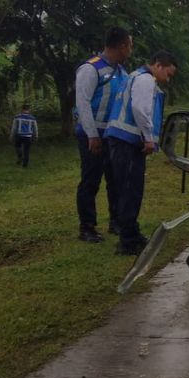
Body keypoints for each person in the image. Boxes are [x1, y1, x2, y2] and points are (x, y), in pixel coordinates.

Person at [103, 50, 178, 255]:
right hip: (128, 141)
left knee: (130, 190)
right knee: (130, 191)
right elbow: (139, 109)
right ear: (159, 65)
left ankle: (131, 233)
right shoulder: (146, 80)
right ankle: (127, 241)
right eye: (168, 74)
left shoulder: (134, 76)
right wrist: (148, 137)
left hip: (122, 141)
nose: (168, 80)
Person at [74, 27, 132, 243]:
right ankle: (87, 226)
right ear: (122, 46)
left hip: (113, 135)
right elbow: (83, 103)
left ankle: (115, 221)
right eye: (130, 45)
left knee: (115, 179)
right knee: (90, 179)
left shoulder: (121, 71)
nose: (131, 50)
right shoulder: (91, 69)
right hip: (93, 134)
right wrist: (92, 135)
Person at [9, 103, 38, 167]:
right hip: (28, 136)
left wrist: (11, 136)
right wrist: (36, 136)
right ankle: (25, 165)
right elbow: (35, 128)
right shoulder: (32, 118)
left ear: (22, 109)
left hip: (19, 135)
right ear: (29, 110)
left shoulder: (17, 117)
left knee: (17, 146)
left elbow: (14, 128)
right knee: (27, 150)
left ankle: (20, 155)